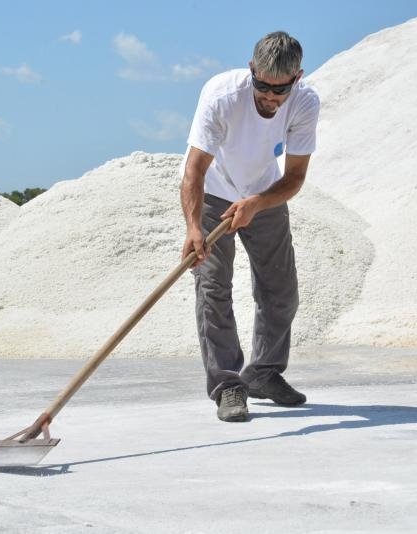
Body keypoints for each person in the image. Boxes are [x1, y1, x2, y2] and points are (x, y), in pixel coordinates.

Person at [180, 31, 320, 422]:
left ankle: (263, 374)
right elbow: (194, 168)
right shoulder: (222, 95)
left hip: (264, 194)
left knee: (281, 292)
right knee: (213, 290)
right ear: (252, 70)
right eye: (263, 87)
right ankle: (228, 386)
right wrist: (193, 226)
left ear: (298, 78)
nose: (271, 98)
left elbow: (294, 178)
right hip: (213, 194)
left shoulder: (305, 103)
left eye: (281, 91)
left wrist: (257, 203)